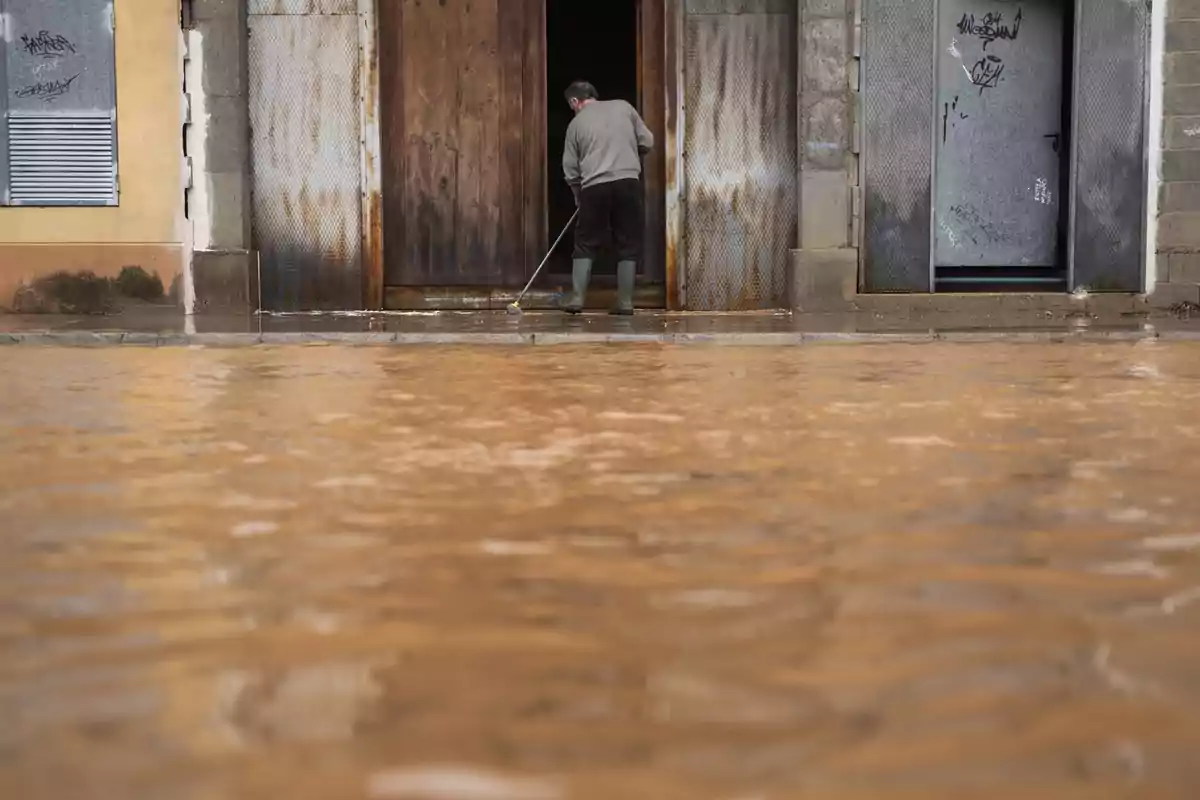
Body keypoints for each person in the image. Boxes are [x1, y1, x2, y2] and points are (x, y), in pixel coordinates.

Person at [561, 80, 654, 315]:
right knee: (628, 241)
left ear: (575, 101)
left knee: (585, 242)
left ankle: (577, 299)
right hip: (628, 183)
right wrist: (632, 152)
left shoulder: (576, 124)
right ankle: (625, 303)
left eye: (570, 104)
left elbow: (570, 170)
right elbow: (647, 141)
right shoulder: (624, 107)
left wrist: (578, 196)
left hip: (594, 187)